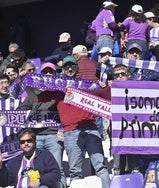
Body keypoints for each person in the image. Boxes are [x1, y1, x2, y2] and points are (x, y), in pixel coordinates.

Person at [26, 56, 111, 188]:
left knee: (101, 168)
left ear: (77, 68)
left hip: (90, 128)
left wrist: (105, 87)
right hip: (70, 132)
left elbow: (107, 98)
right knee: (74, 172)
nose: (69, 69)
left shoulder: (87, 83)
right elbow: (36, 99)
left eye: (72, 66)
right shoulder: (57, 88)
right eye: (66, 67)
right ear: (63, 70)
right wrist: (27, 87)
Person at [17, 62, 67, 188]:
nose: (48, 74)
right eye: (45, 72)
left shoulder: (60, 91)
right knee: (35, 168)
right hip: (36, 137)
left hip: (53, 135)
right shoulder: (33, 93)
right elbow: (21, 110)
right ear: (41, 75)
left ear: (55, 74)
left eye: (51, 72)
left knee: (58, 168)